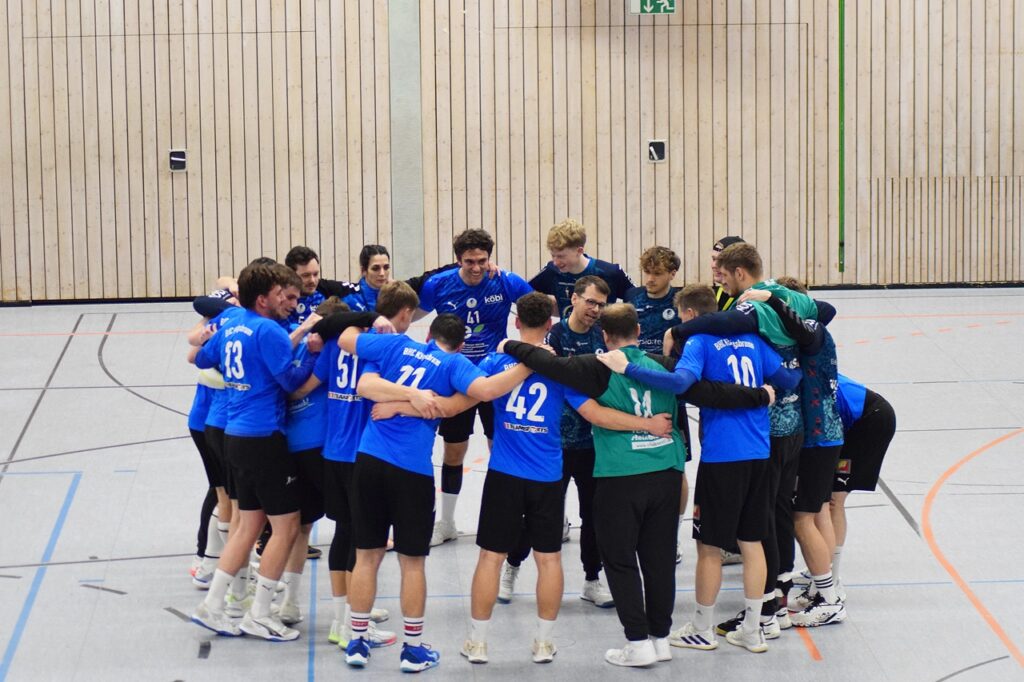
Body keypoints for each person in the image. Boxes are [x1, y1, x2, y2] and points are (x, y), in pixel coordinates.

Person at [501, 304, 775, 667]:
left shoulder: (595, 366)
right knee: (659, 560)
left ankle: (637, 642)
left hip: (620, 475)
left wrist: (509, 345)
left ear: (604, 335)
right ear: (638, 331)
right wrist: (761, 395)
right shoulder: (664, 367)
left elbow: (548, 364)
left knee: (619, 559)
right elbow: (712, 392)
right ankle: (661, 638)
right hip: (665, 474)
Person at [337, 297, 534, 673]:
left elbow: (355, 359)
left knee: (366, 555)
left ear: (427, 334)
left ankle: (357, 642)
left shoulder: (395, 345)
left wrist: (399, 400)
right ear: (460, 345)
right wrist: (529, 363)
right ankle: (412, 650)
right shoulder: (454, 364)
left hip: (369, 461)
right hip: (411, 471)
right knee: (412, 563)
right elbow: (486, 391)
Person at [599, 285, 798, 654]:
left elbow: (679, 383)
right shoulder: (753, 340)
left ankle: (703, 629)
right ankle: (754, 629)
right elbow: (790, 380)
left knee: (709, 545)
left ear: (689, 315)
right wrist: (763, 388)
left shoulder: (700, 341)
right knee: (752, 541)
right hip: (760, 452)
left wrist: (628, 367)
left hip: (723, 457)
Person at [190, 262, 320, 641]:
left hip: (233, 434)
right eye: (280, 294)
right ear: (263, 299)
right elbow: (291, 381)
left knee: (248, 524)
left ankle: (213, 605)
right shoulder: (269, 330)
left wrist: (219, 344)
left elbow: (202, 357)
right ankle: (260, 614)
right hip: (264, 438)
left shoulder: (232, 323)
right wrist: (312, 353)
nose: (286, 300)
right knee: (287, 525)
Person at [414, 229, 534, 547]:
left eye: (482, 260)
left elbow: (537, 307)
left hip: (495, 379)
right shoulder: (439, 284)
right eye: (470, 262)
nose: (477, 267)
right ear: (458, 260)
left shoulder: (505, 281)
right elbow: (409, 315)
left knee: (501, 449)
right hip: (456, 378)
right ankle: (447, 522)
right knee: (454, 451)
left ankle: (510, 519)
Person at [502, 275, 613, 608]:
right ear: (574, 299)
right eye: (590, 302)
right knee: (537, 513)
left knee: (594, 515)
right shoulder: (554, 336)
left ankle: (592, 580)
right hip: (555, 444)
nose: (595, 310)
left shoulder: (603, 336)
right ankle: (512, 566)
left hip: (593, 443)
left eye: (601, 305)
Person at [622, 246, 690, 565]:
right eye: (646, 272)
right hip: (634, 392)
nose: (650, 279)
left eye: (658, 273)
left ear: (672, 274)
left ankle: (671, 535)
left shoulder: (681, 302)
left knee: (677, 467)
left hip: (669, 393)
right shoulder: (631, 298)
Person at [529, 218, 633, 319]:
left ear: (579, 251)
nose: (555, 262)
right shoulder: (551, 271)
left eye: (561, 256)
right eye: (553, 256)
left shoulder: (611, 272)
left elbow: (637, 299)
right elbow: (527, 296)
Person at [710, 236, 745, 311]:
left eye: (721, 261)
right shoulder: (709, 297)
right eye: (713, 259)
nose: (714, 265)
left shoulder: (750, 299)